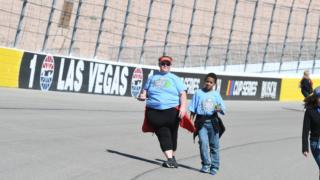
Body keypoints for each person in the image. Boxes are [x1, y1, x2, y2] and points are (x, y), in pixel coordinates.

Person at [137, 56, 188, 168]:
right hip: (154, 111)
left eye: (167, 64)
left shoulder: (174, 78)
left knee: (173, 135)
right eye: (163, 63)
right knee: (162, 132)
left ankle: (172, 158)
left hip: (172, 111)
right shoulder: (152, 78)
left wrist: (183, 107)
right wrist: (142, 96)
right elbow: (145, 92)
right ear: (159, 64)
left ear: (170, 66)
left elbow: (182, 93)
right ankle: (170, 159)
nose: (165, 65)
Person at [189, 73, 226, 175]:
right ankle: (206, 165)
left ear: (214, 84)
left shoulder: (216, 95)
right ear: (204, 81)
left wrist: (219, 109)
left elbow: (222, 108)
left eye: (211, 82)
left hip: (213, 122)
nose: (208, 83)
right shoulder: (198, 93)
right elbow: (193, 109)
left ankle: (214, 166)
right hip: (201, 122)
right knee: (203, 144)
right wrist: (190, 121)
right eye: (207, 81)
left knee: (214, 145)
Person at [302, 86, 320, 179]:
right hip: (316, 144)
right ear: (316, 98)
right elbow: (305, 130)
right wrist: (305, 148)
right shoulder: (310, 111)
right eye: (319, 97)